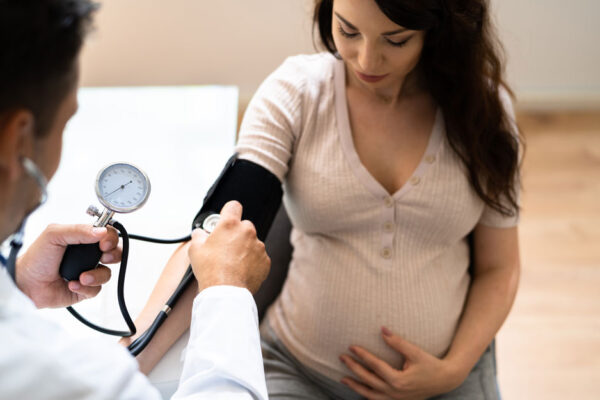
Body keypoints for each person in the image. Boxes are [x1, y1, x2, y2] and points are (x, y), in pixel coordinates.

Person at [137, 0, 522, 399]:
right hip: (296, 371)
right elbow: (218, 240)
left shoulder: (485, 113)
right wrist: (128, 361)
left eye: (396, 39)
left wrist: (453, 370)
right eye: (348, 30)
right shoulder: (296, 93)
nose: (366, 58)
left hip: (442, 383)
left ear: (439, 29)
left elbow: (500, 267)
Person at [0, 1, 270, 398]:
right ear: (17, 141)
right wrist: (226, 292)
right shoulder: (62, 373)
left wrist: (18, 285)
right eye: (66, 121)